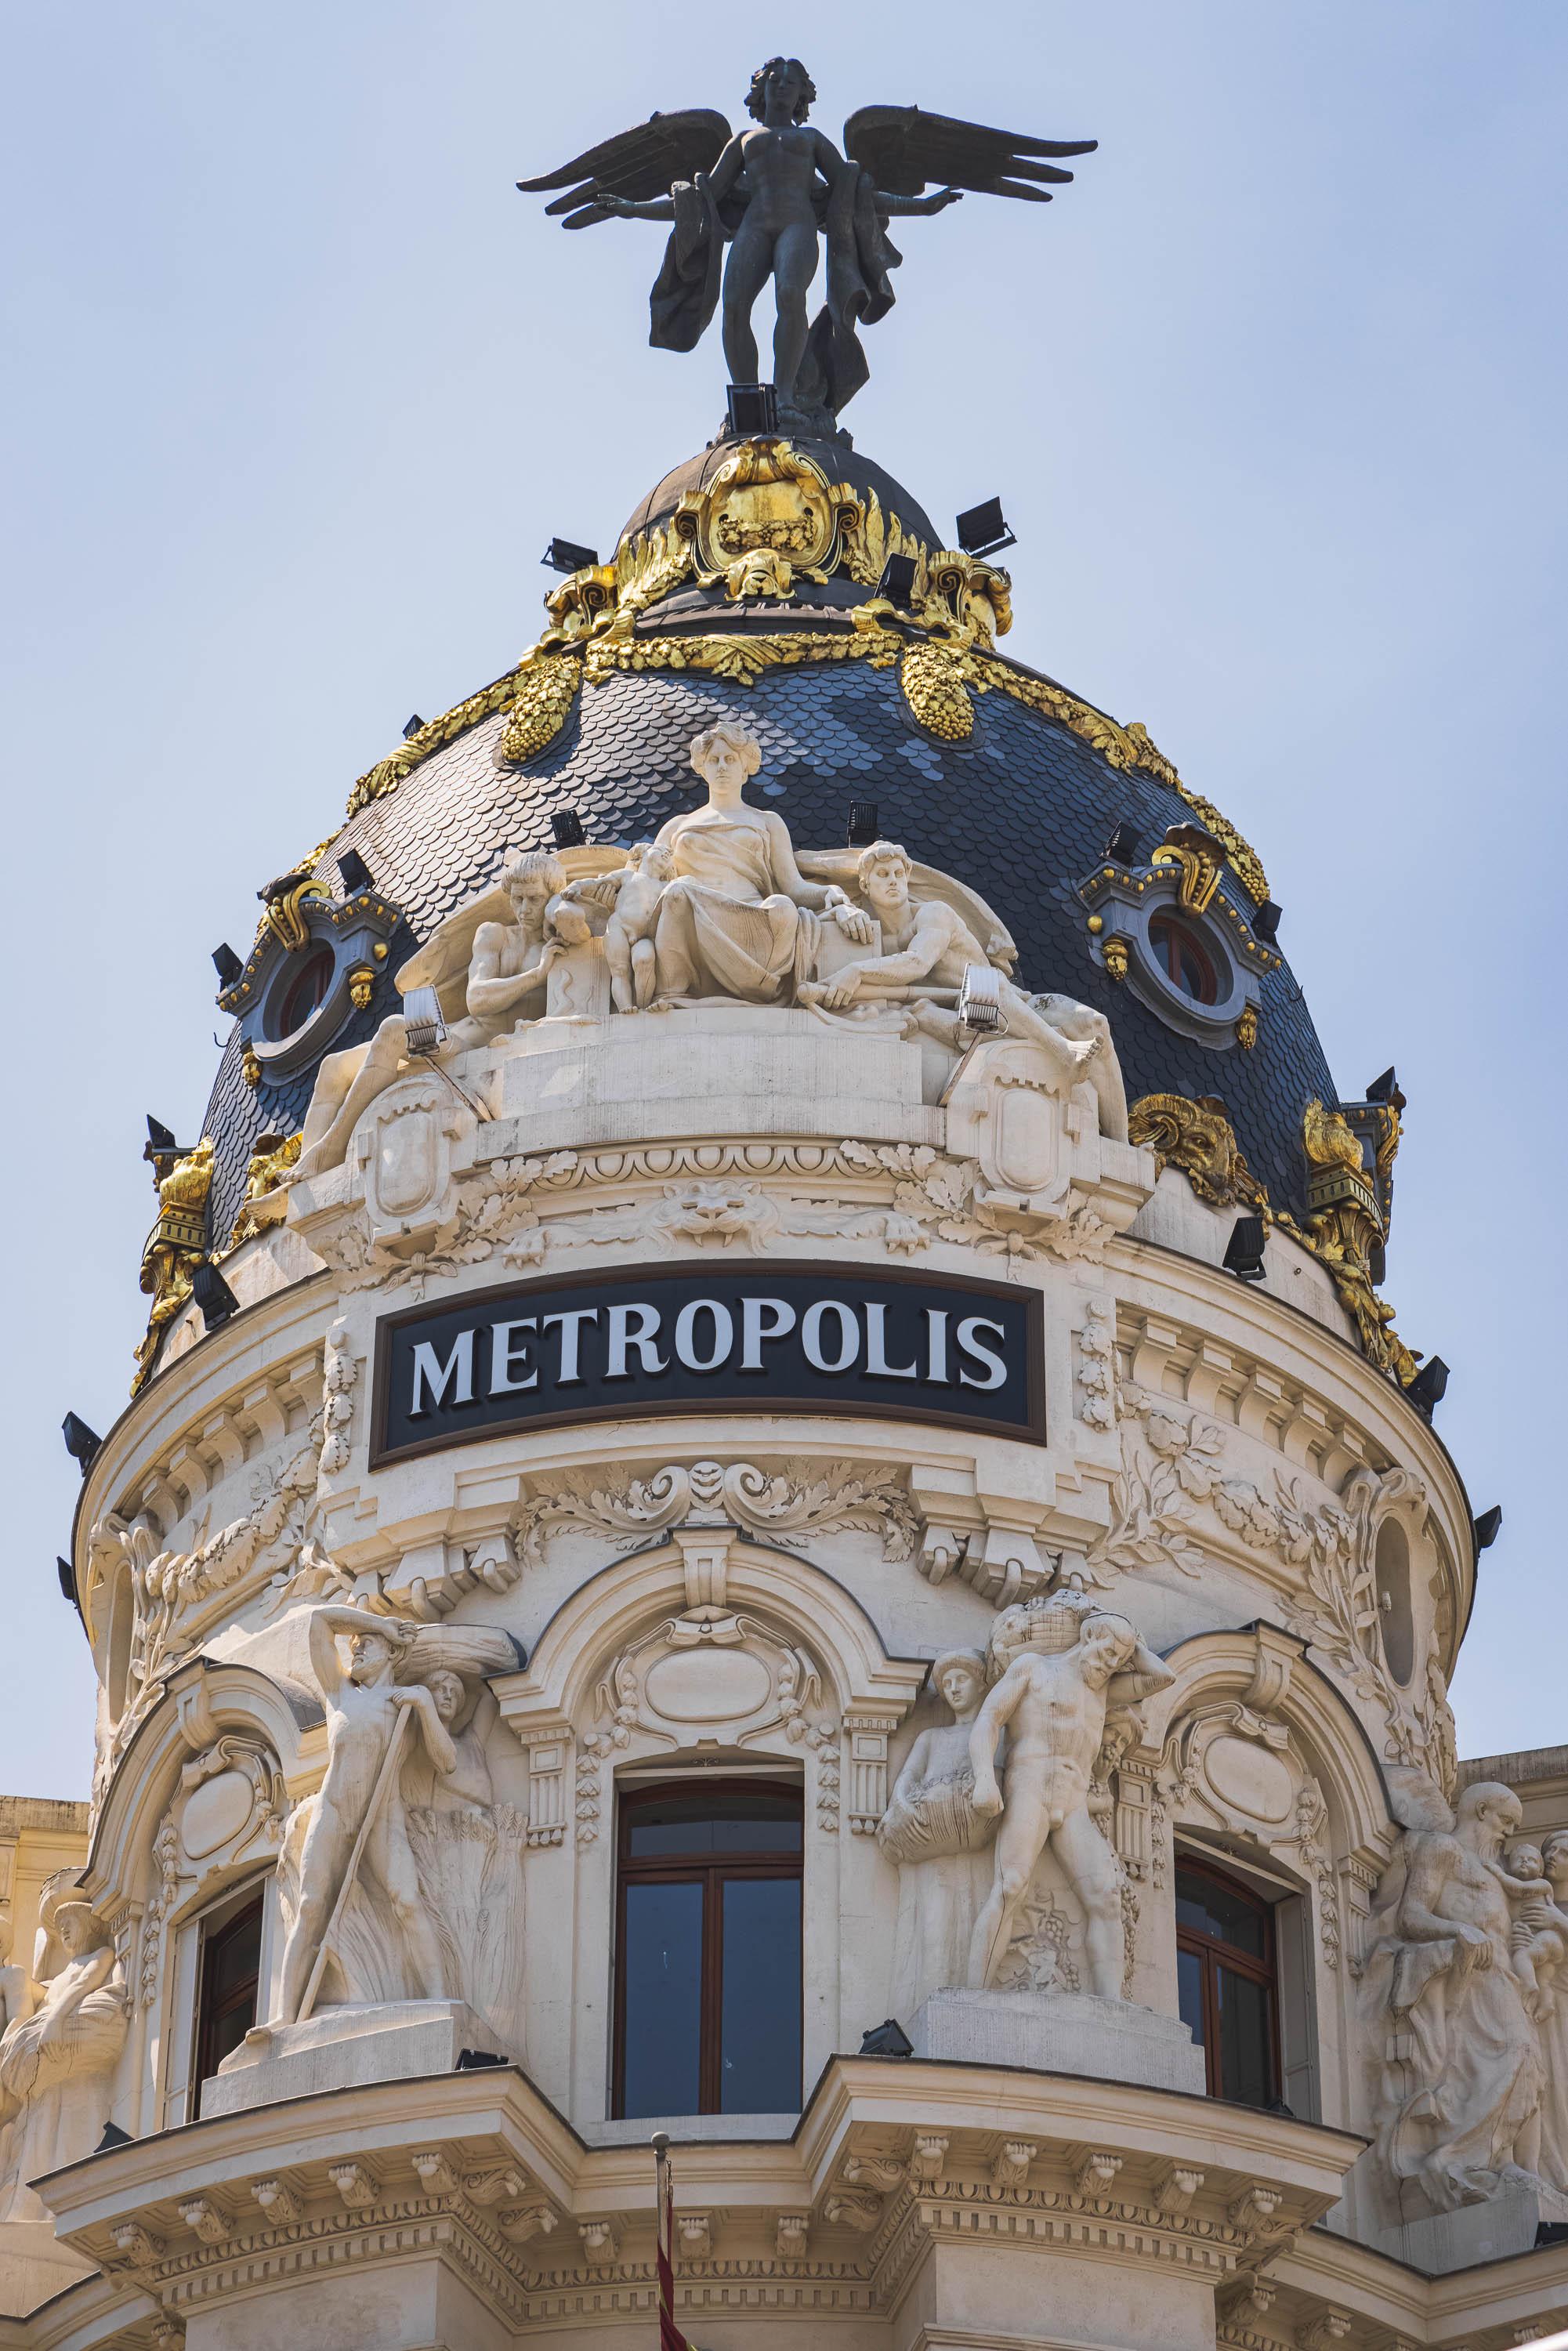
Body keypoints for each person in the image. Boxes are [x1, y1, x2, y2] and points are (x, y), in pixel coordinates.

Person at [812, 839, 1131, 1143]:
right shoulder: (870, 933)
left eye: (898, 873)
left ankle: (1121, 1146)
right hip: (964, 1020)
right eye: (882, 875)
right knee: (986, 988)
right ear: (865, 885)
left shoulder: (933, 914)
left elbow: (918, 963)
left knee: (1094, 1023)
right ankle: (1064, 1052)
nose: (893, 881)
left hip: (1012, 1007)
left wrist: (854, 973)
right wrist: (841, 910)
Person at [291, 848, 567, 1184]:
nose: (524, 910)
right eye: (518, 899)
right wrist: (536, 976)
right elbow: (478, 999)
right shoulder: (494, 934)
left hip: (482, 1050)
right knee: (332, 1068)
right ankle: (300, 1188)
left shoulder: (562, 946)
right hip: (457, 1036)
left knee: (394, 1028)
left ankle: (330, 1149)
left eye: (535, 900)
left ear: (553, 897)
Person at [965, 1592, 1171, 1998]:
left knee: (1108, 1899)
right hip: (1030, 1789)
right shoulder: (1034, 1668)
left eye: (1119, 1659)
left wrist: (1130, 1640)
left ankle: (1112, 2008)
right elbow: (989, 1719)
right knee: (1010, 1887)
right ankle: (973, 1993)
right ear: (1088, 1636)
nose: (1111, 1663)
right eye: (1107, 1651)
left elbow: (1162, 1678)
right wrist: (984, 1778)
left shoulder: (1105, 1691)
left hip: (1074, 1804)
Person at [272, 1609, 457, 2027]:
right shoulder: (340, 1693)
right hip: (334, 1813)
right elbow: (320, 1622)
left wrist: (425, 1705)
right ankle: (286, 2017)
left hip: (382, 1819)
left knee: (407, 1902)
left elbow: (447, 1763)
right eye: (354, 1644)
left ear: (391, 1653)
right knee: (311, 1904)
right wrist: (378, 1623)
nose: (355, 1648)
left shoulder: (405, 1706)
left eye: (367, 1644)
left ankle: (440, 2001)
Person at [648, 723, 873, 1002]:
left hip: (752, 924)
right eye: (714, 760)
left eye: (730, 759)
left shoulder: (767, 822)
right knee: (678, 889)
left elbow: (793, 887)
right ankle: (672, 991)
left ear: (745, 769)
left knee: (782, 905)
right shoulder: (677, 827)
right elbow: (644, 881)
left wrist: (836, 898)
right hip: (692, 925)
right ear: (702, 768)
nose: (721, 767)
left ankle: (760, 981)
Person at [878, 1650, 998, 2019]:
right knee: (933, 1926)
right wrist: (902, 1805)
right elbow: (906, 1782)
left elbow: (998, 1779)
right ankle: (927, 2007)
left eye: (961, 1679)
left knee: (970, 1919)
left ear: (981, 1683)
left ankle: (965, 2006)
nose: (953, 1688)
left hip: (970, 1837)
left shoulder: (995, 1732)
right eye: (946, 1683)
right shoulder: (932, 1737)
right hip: (930, 1840)